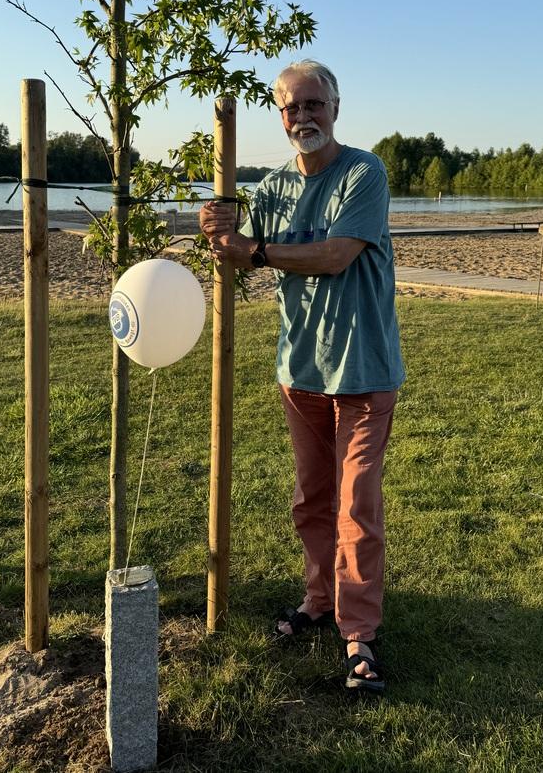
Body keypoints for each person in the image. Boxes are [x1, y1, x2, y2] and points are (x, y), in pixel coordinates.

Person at [199, 59, 405, 692]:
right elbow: (235, 255)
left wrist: (256, 250)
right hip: (301, 370)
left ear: (335, 108)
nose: (304, 116)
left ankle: (359, 631)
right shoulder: (271, 190)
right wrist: (218, 232)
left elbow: (335, 256)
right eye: (292, 107)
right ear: (281, 116)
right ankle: (319, 600)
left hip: (364, 370)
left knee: (355, 504)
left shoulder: (363, 172)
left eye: (314, 104)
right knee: (311, 499)